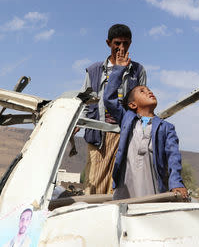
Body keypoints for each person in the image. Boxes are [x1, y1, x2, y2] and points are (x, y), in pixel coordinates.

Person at [103, 48, 188, 200]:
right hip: (126, 186)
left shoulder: (166, 127)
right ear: (133, 105)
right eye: (142, 91)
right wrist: (119, 70)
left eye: (149, 90)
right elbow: (109, 99)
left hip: (152, 184)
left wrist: (176, 182)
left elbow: (173, 157)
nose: (149, 92)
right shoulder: (127, 119)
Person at [75, 24, 146, 194]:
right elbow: (85, 100)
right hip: (99, 134)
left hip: (125, 133)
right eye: (117, 43)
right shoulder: (94, 70)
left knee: (119, 184)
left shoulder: (138, 70)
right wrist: (76, 123)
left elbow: (141, 102)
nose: (121, 48)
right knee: (95, 182)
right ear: (108, 43)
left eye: (126, 44)